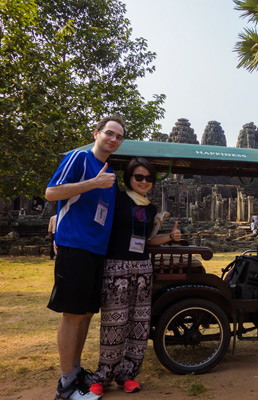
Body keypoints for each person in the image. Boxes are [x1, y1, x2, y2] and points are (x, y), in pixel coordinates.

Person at [87, 158, 181, 395]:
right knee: (114, 322)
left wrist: (170, 237)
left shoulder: (149, 208)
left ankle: (127, 375)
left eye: (149, 178)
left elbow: (148, 240)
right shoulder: (116, 198)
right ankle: (103, 376)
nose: (144, 182)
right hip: (116, 267)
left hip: (142, 268)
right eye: (139, 177)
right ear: (129, 177)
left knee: (138, 323)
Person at [46, 116, 125, 400]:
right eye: (109, 133)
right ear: (97, 133)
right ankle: (66, 384)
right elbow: (51, 192)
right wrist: (93, 183)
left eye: (118, 137)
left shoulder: (110, 173)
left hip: (97, 250)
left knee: (87, 313)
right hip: (75, 246)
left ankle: (76, 371)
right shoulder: (79, 159)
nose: (113, 139)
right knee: (72, 314)